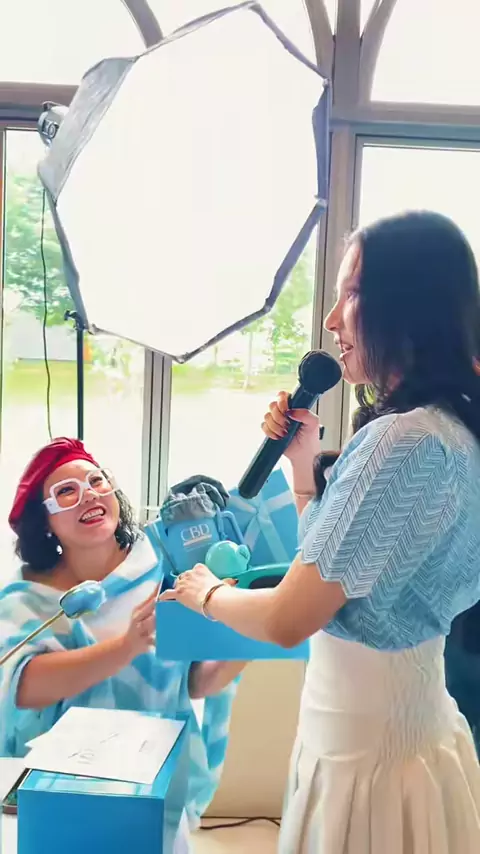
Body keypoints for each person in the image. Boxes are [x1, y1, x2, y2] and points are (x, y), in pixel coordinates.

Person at [161, 210, 480, 852]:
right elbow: (342, 572)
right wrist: (303, 466)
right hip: (409, 736)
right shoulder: (452, 430)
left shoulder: (400, 440)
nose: (332, 320)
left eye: (351, 294)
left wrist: (205, 594)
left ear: (409, 305)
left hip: (367, 758)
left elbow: (290, 618)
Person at [0, 438, 245, 852]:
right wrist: (126, 646)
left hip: (153, 791)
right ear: (45, 522)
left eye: (97, 480)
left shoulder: (165, 570)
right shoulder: (27, 599)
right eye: (67, 491)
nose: (89, 495)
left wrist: (247, 627)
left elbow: (197, 682)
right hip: (61, 797)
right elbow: (21, 687)